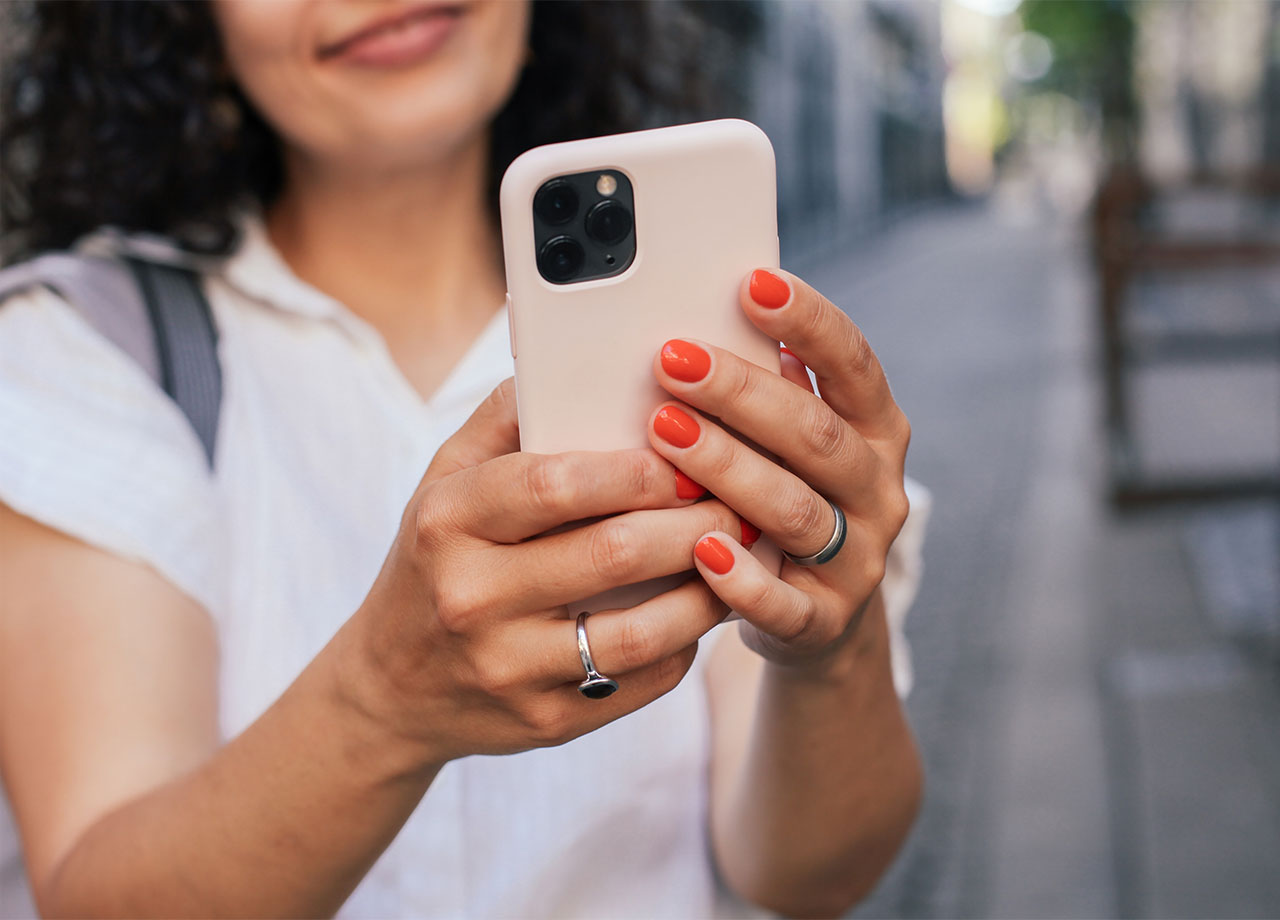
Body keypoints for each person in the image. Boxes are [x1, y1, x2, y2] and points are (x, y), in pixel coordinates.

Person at [0, 2, 929, 917]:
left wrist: (834, 651)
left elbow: (808, 877)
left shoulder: (703, 333)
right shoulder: (80, 351)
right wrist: (380, 704)